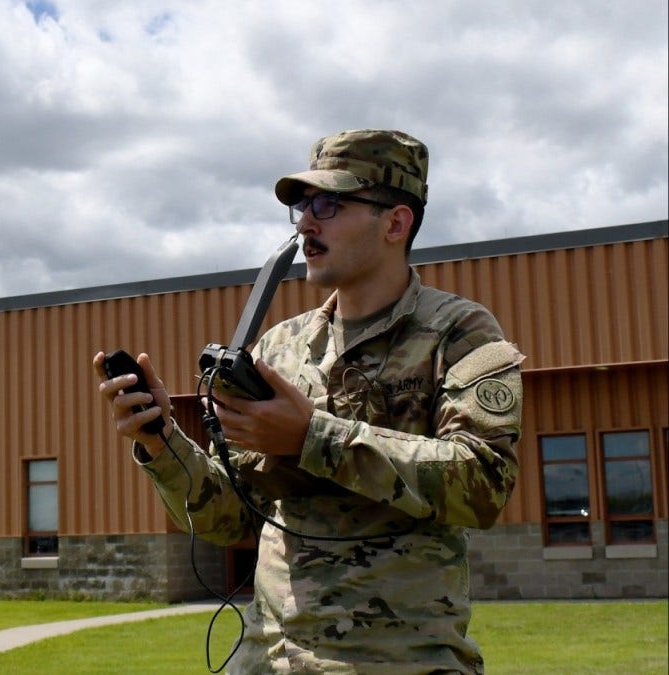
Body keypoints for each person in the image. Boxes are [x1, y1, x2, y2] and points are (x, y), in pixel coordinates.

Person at [93, 129, 523, 674]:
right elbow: (238, 519)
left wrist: (310, 437)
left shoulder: (459, 333)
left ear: (396, 222)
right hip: (266, 660)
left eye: (329, 204)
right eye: (301, 206)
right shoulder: (281, 346)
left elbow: (484, 483)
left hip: (398, 661)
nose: (305, 223)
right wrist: (161, 443)